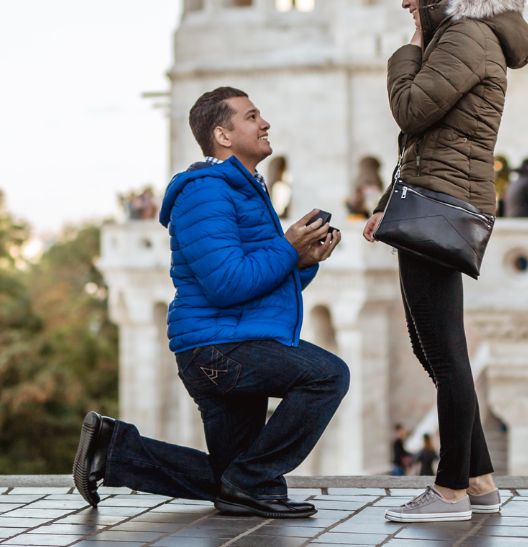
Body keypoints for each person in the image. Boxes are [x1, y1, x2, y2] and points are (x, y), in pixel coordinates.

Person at [73, 86, 346, 519]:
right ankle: (256, 484)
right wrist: (288, 248)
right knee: (327, 376)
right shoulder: (207, 192)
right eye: (252, 116)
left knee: (229, 479)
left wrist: (303, 261)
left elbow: (258, 279)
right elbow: (226, 284)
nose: (265, 123)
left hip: (233, 338)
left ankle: (112, 451)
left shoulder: (244, 190)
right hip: (217, 348)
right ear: (223, 134)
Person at [364, 0, 528, 522]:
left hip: (442, 206)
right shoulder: (462, 37)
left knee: (443, 349)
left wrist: (406, 52)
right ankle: (481, 481)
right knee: (435, 345)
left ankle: (449, 491)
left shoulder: (462, 38)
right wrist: (389, 205)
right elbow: (428, 145)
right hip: (435, 199)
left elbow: (411, 111)